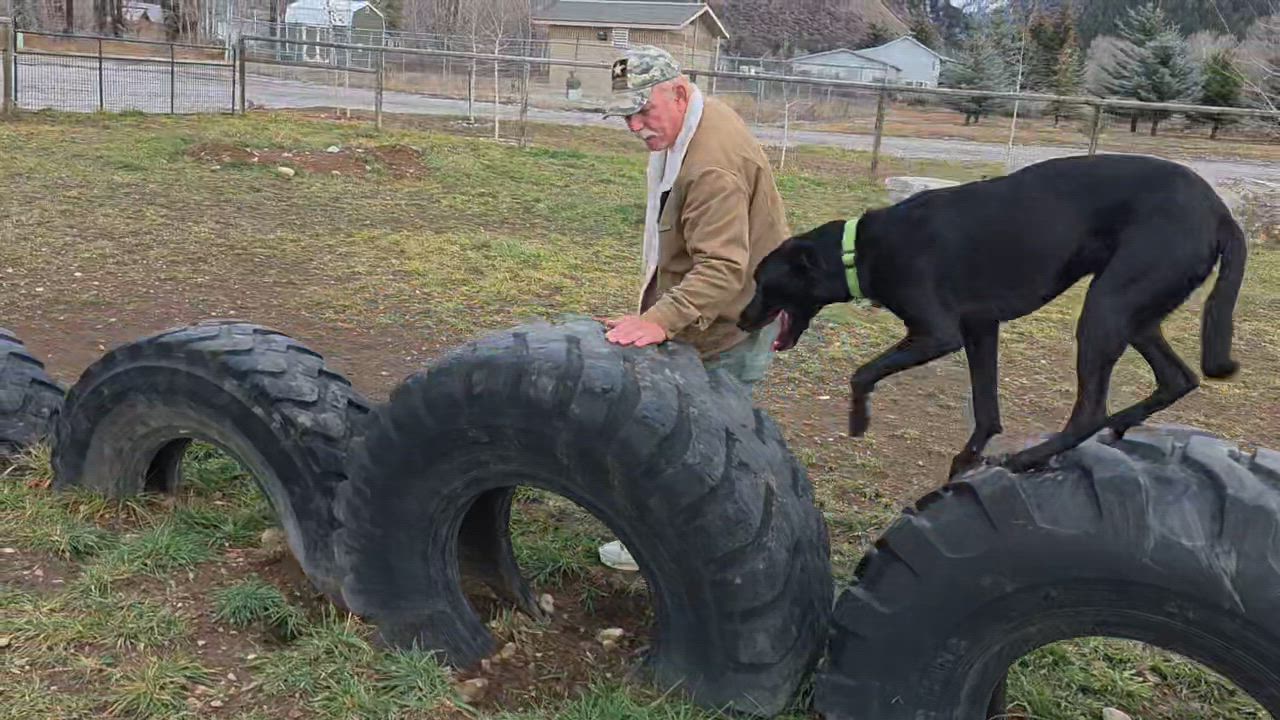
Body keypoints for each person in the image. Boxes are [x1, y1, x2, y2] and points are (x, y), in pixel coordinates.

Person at [596, 45, 791, 571]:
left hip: (732, 326)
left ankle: (700, 555)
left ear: (679, 92)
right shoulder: (694, 122)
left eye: (644, 111)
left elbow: (724, 269)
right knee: (703, 435)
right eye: (627, 114)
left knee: (705, 443)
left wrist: (656, 320)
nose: (636, 125)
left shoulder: (710, 167)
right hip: (726, 311)